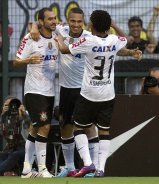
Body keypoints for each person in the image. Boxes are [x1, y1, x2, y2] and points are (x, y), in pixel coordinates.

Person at [56, 10, 142, 177]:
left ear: (92, 25)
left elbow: (64, 50)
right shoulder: (113, 40)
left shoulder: (88, 40)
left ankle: (88, 163)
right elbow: (124, 41)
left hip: (89, 93)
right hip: (108, 94)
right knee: (104, 131)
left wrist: (59, 40)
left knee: (78, 126)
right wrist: (116, 28)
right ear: (108, 26)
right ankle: (101, 169)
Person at [13, 7, 58, 178]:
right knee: (45, 126)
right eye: (50, 19)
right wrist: (28, 60)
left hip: (50, 91)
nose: (53, 21)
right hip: (34, 90)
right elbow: (16, 62)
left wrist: (33, 24)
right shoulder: (30, 38)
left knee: (35, 127)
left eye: (54, 18)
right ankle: (42, 169)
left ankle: (26, 169)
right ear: (41, 22)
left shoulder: (57, 35)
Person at [0, 96, 30, 176]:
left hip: (25, 150)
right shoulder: (5, 119)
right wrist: (3, 116)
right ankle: (8, 172)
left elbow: (30, 128)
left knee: (15, 154)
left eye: (12, 105)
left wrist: (23, 114)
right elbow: (4, 134)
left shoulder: (24, 117)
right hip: (11, 150)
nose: (11, 107)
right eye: (7, 106)